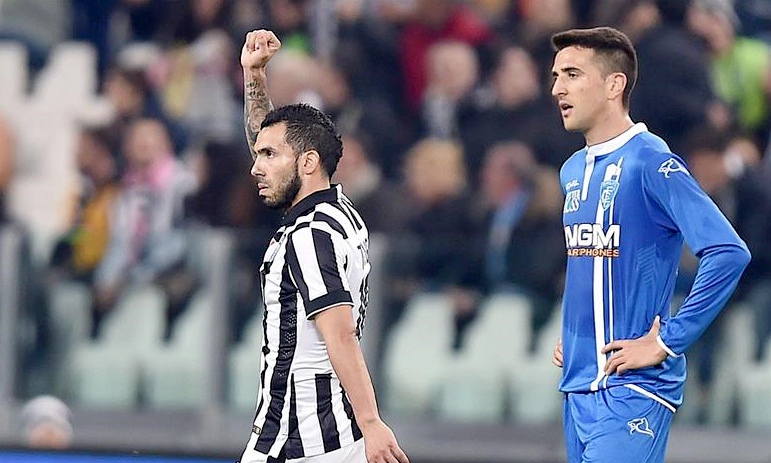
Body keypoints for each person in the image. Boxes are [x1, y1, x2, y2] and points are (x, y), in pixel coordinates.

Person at [549, 27, 750, 463]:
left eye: (572, 74)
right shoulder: (572, 171)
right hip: (578, 387)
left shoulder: (650, 161)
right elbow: (593, 262)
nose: (558, 88)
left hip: (633, 389)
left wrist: (667, 342)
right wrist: (577, 336)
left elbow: (728, 252)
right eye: (556, 76)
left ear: (614, 85)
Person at [237, 29, 409, 463]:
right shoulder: (341, 210)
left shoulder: (310, 234)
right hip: (332, 433)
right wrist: (255, 77)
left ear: (308, 162)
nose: (256, 167)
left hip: (298, 441)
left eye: (268, 156)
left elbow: (340, 333)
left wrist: (372, 423)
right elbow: (278, 142)